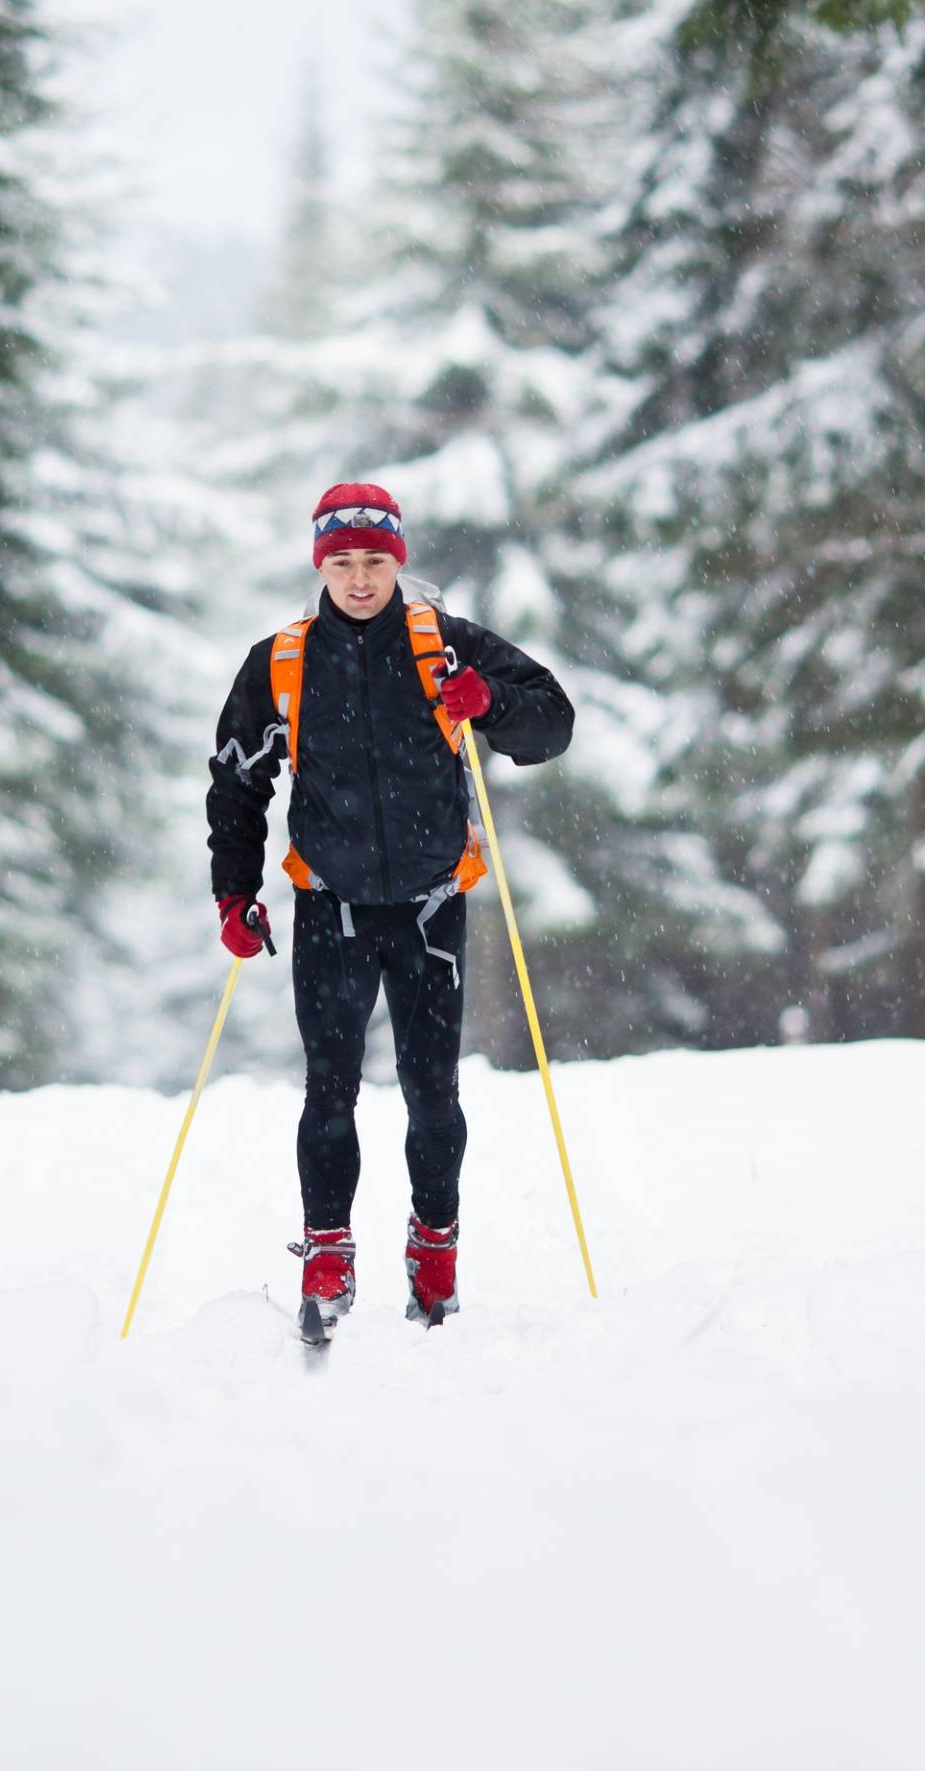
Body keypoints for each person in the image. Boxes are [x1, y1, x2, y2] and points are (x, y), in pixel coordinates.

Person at [206, 481, 574, 1339]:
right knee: (328, 1094)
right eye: (343, 562)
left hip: (429, 905)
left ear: (398, 562)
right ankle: (328, 1257)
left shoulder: (444, 645)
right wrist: (234, 892)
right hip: (329, 906)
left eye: (375, 560)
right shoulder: (282, 661)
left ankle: (434, 1250)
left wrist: (491, 704)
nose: (360, 578)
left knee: (431, 1094)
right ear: (320, 566)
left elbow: (552, 723)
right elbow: (236, 784)